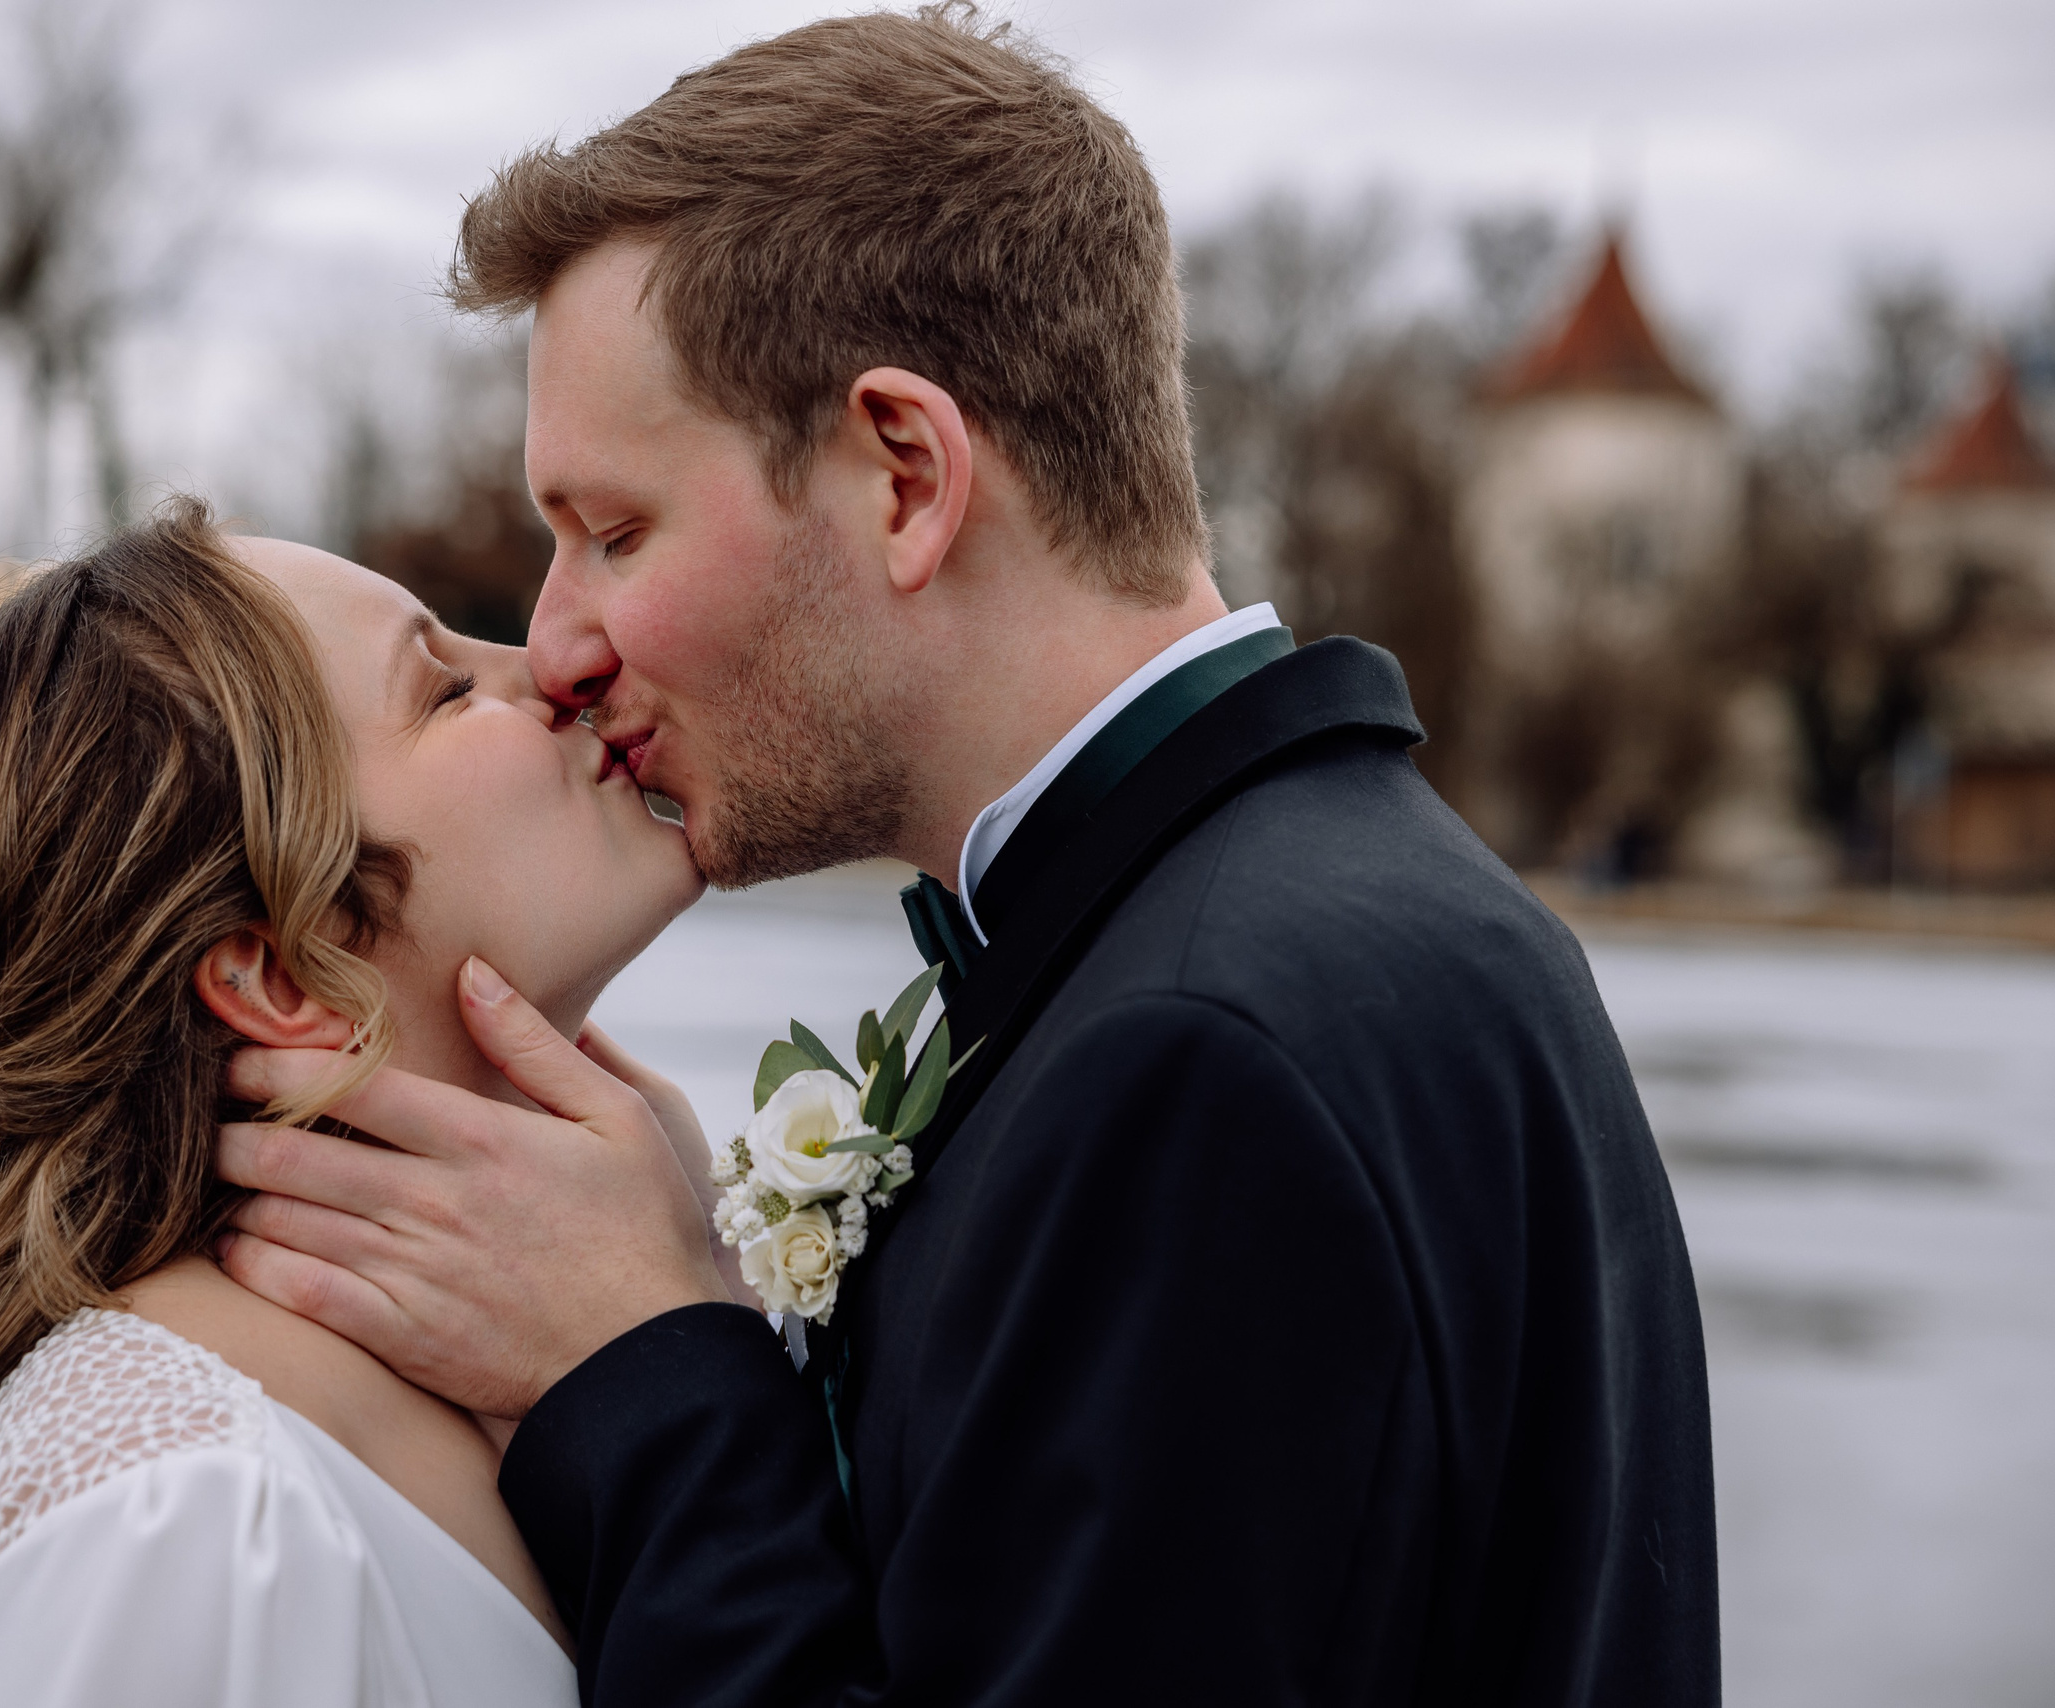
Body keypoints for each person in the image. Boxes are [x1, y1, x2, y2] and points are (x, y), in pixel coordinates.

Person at [213, 7, 1722, 1706]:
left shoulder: (1203, 1057)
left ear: (906, 474)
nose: (556, 643)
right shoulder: (1339, 921)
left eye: (616, 531)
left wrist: (638, 1375)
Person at [0, 501, 720, 1708]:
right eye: (445, 688)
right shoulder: (197, 1521)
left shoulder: (515, 1359)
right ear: (283, 973)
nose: (554, 670)